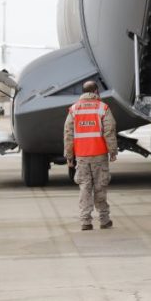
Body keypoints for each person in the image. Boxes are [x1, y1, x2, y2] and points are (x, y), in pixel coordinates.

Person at [63, 81, 118, 231]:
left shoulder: (74, 109)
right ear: (96, 91)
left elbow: (68, 134)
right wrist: (112, 151)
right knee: (100, 187)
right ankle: (104, 220)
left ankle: (85, 221)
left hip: (81, 155)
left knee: (85, 187)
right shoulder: (103, 108)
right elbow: (109, 131)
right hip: (99, 154)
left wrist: (69, 156)